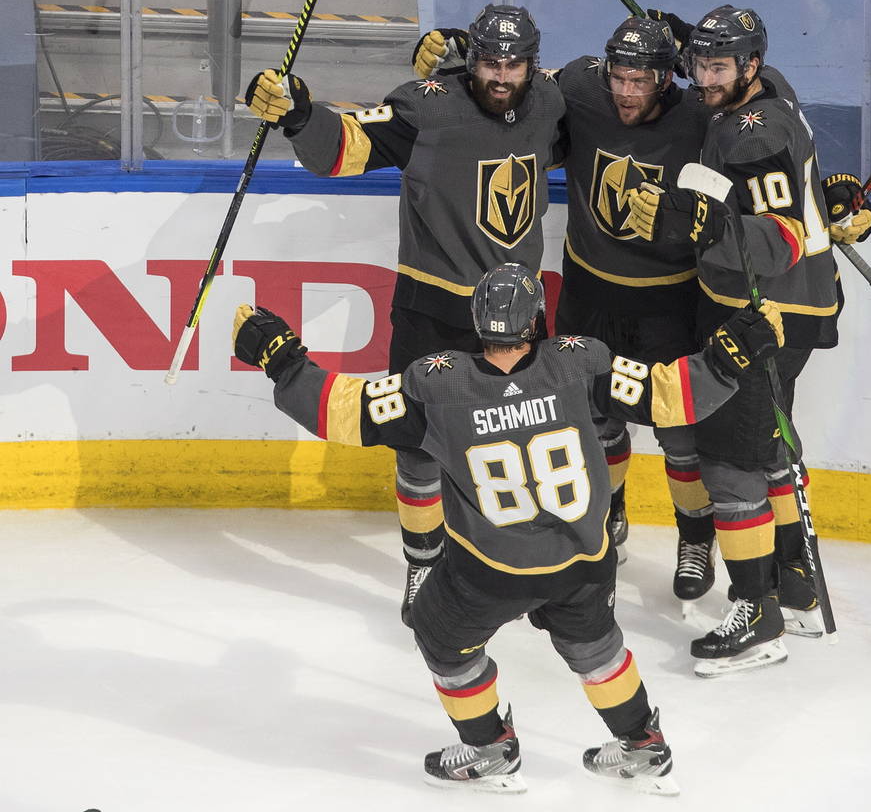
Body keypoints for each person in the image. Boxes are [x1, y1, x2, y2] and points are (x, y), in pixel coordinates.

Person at [230, 262, 785, 792]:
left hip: (491, 572)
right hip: (584, 561)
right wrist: (729, 353)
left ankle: (490, 748)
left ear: (478, 321)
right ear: (538, 319)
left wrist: (281, 357)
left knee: (441, 640)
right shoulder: (580, 363)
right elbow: (673, 395)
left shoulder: (436, 385)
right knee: (597, 649)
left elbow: (339, 409)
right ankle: (643, 743)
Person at [243, 4, 567, 626]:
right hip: (433, 307)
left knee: (524, 437)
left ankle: (524, 560)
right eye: (491, 62)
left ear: (532, 61)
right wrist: (299, 113)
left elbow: (610, 101)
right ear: (471, 61)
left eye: (515, 62)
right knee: (417, 446)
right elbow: (344, 150)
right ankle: (424, 559)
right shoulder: (428, 107)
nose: (503, 75)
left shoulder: (550, 100)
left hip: (520, 309)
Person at [413, 16, 720, 605]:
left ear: (667, 77)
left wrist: (824, 198)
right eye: (620, 78)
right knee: (596, 424)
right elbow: (507, 90)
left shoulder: (700, 118)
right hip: (588, 294)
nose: (626, 92)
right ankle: (612, 515)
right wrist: (450, 62)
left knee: (679, 431)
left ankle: (695, 536)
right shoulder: (580, 87)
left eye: (641, 81)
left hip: (668, 301)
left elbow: (764, 112)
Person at [626, 5, 871, 676]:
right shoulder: (772, 90)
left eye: (715, 67)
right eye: (697, 65)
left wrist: (696, 222)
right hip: (785, 304)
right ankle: (792, 583)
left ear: (749, 68)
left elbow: (781, 236)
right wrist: (683, 35)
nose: (702, 79)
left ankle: (755, 614)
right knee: (765, 445)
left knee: (727, 454)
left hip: (768, 311)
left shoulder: (754, 135)